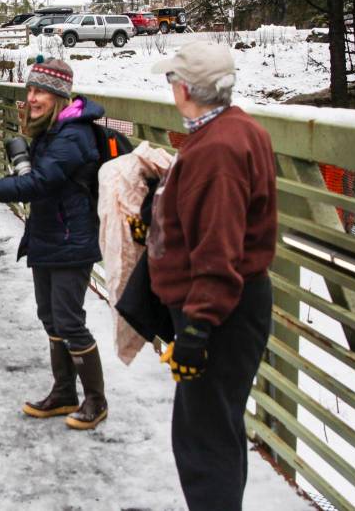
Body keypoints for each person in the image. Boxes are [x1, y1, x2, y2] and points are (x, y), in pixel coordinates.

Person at [147, 42, 277, 511]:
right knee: (217, 429)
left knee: (204, 443)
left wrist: (198, 329)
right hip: (233, 304)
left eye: (172, 81)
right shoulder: (238, 129)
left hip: (220, 312)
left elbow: (219, 250)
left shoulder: (216, 151)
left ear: (185, 89)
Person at [0, 58, 108, 430]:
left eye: (40, 92)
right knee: (50, 317)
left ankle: (96, 401)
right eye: (29, 90)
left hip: (72, 240)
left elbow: (39, 184)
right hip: (48, 236)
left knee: (69, 320)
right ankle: (64, 392)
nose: (31, 98)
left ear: (59, 96)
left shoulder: (73, 135)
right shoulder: (51, 130)